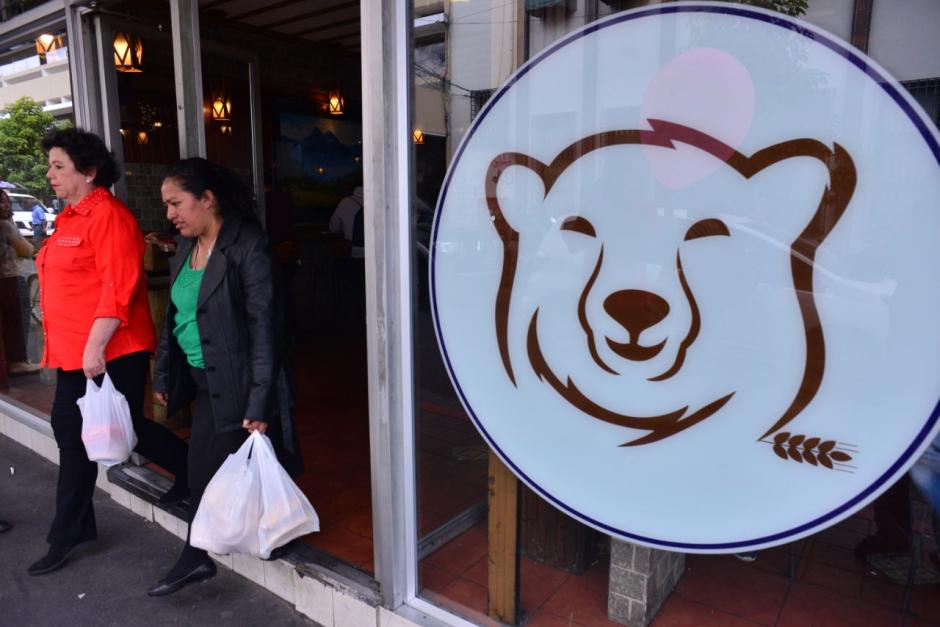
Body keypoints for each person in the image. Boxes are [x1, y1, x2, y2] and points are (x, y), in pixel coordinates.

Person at [28, 128, 189, 577]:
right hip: (73, 353)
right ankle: (76, 527)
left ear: (89, 171)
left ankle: (66, 534)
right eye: (52, 166)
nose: (50, 174)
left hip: (109, 351)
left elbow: (118, 290)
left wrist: (95, 348)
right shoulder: (69, 217)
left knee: (112, 430)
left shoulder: (109, 217)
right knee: (81, 433)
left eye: (59, 166)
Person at [150, 157, 300, 597]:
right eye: (167, 205)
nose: (170, 214)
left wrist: (258, 401)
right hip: (202, 377)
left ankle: (196, 558)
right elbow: (173, 321)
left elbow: (265, 329)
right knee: (245, 467)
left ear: (207, 199)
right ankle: (265, 537)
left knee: (214, 468)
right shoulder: (185, 248)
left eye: (176, 203)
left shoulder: (247, 246)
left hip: (237, 380)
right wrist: (163, 374)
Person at [0, 189, 38, 375]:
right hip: (11, 277)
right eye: (1, 202)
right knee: (18, 319)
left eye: (7, 201)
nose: (6, 205)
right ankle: (18, 360)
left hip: (6, 277)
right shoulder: (5, 225)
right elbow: (26, 249)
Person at [329, 185, 364, 258]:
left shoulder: (345, 202)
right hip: (375, 250)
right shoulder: (376, 199)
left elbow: (334, 227)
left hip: (355, 250)